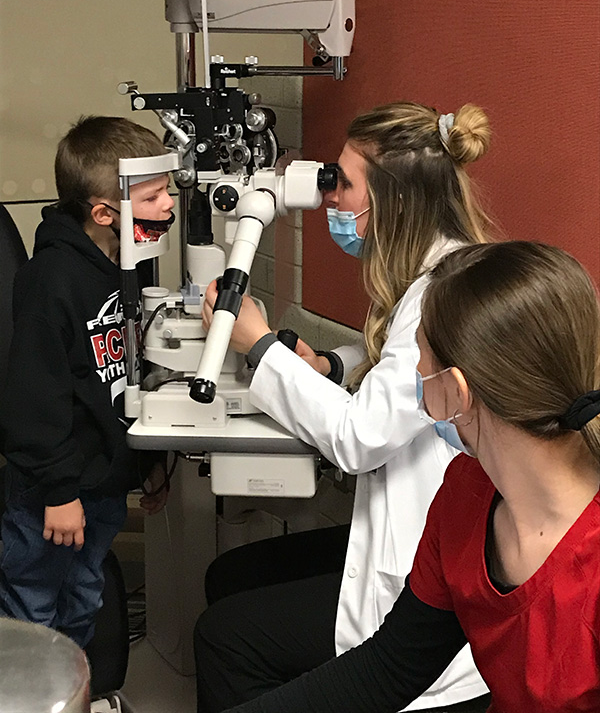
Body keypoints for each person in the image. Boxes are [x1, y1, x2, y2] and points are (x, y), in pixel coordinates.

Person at [195, 102, 493, 712]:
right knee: (231, 578)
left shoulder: (438, 294)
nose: (330, 197)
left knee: (224, 637)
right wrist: (331, 365)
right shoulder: (443, 267)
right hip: (407, 537)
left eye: (343, 182)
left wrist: (256, 347)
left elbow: (361, 437)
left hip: (416, 571)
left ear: (395, 202)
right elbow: (394, 363)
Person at [219, 240, 600, 713]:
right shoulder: (467, 494)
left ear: (455, 392)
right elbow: (389, 667)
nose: (413, 379)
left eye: (417, 363)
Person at [0, 115, 175, 648]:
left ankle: (73, 695)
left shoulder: (126, 262)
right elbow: (34, 399)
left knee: (84, 598)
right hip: (51, 491)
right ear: (104, 213)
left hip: (99, 481)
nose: (168, 205)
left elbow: (124, 375)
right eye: (152, 198)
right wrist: (58, 492)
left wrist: (149, 464)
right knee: (32, 608)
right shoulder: (50, 282)